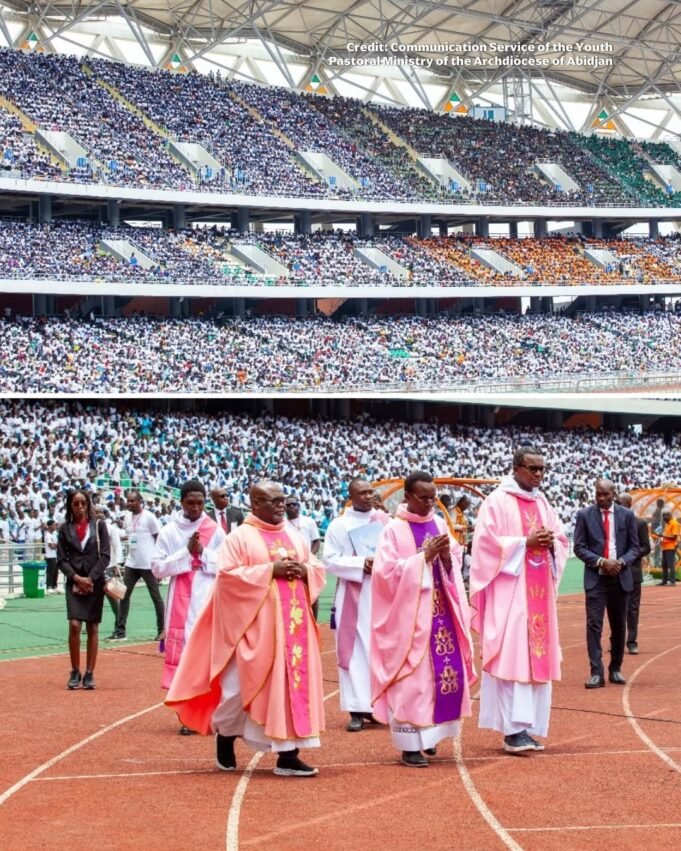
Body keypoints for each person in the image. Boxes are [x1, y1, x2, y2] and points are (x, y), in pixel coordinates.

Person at [166, 481, 325, 777]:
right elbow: (226, 579)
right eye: (272, 500)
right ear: (254, 503)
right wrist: (269, 572)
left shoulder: (294, 534)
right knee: (239, 692)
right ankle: (225, 736)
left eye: (282, 500)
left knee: (290, 688)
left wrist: (304, 571)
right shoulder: (240, 537)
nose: (280, 505)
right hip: (255, 629)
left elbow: (316, 567)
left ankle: (288, 756)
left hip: (293, 630)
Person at [371, 471, 475, 768]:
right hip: (410, 620)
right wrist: (423, 558)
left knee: (440, 677)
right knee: (413, 679)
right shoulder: (393, 530)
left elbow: (455, 558)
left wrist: (445, 557)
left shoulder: (439, 523)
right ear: (407, 497)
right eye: (424, 498)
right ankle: (409, 745)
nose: (430, 503)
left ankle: (429, 737)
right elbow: (384, 574)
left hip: (442, 611)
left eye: (433, 497)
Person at [470, 448, 568, 754]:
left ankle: (529, 727)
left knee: (535, 658)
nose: (538, 475)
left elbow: (562, 539)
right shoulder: (497, 501)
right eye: (532, 469)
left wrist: (552, 544)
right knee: (514, 657)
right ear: (516, 468)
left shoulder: (542, 502)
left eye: (542, 469)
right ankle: (513, 730)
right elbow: (484, 544)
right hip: (511, 593)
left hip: (538, 594)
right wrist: (525, 542)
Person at [151, 480, 226, 711]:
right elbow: (157, 569)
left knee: (203, 651)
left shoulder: (214, 530)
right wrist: (186, 552)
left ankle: (202, 706)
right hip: (179, 594)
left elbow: (227, 564)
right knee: (182, 651)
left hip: (206, 591)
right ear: (181, 502)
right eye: (190, 503)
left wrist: (202, 553)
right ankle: (184, 709)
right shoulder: (169, 531)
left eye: (200, 503)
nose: (195, 508)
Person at [323, 477, 389, 732]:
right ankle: (356, 709)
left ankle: (377, 705)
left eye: (370, 492)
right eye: (361, 493)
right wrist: (361, 563)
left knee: (380, 649)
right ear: (351, 495)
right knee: (353, 651)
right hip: (353, 593)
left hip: (382, 592)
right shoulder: (338, 525)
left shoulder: (385, 521)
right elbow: (329, 559)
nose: (367, 496)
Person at [574, 479, 640, 689]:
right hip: (596, 579)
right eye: (598, 494)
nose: (602, 498)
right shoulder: (584, 515)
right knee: (594, 625)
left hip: (620, 578)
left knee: (619, 626)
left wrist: (620, 562)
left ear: (614, 493)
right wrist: (601, 561)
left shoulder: (627, 515)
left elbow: (635, 548)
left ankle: (615, 668)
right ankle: (596, 672)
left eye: (606, 494)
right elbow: (579, 547)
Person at [57, 489, 110, 690]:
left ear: (88, 504)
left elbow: (105, 555)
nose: (80, 507)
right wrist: (77, 578)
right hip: (74, 582)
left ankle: (89, 673)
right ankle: (74, 670)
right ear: (70, 506)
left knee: (93, 626)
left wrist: (90, 579)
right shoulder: (64, 529)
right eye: (75, 504)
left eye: (83, 503)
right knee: (74, 625)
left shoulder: (99, 526)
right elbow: (61, 559)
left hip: (94, 582)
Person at [112, 491, 164, 641]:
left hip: (148, 564)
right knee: (124, 596)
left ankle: (162, 630)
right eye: (128, 501)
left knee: (156, 597)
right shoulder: (127, 517)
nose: (129, 503)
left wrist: (158, 560)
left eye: (132, 501)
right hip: (132, 563)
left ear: (140, 501)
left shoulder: (149, 517)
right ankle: (120, 631)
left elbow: (158, 538)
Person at [615, 493, 651, 655]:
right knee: (615, 608)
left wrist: (629, 556)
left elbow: (646, 547)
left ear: (629, 505)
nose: (617, 506)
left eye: (621, 503)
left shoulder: (640, 523)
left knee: (632, 608)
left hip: (633, 571)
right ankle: (615, 641)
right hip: (614, 572)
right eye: (616, 503)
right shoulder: (611, 523)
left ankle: (631, 642)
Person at [659, 507, 680, 586]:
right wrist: (661, 538)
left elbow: (674, 536)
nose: (664, 518)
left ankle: (672, 581)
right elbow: (666, 535)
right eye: (663, 516)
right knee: (664, 565)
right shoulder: (667, 525)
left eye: (665, 516)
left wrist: (663, 536)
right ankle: (664, 581)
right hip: (664, 547)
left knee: (671, 565)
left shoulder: (674, 523)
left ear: (669, 515)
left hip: (671, 547)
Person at [44, 519, 59, 594]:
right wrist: (57, 545)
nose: (55, 526)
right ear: (49, 526)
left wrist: (56, 545)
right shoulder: (47, 535)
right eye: (53, 525)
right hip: (50, 556)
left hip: (55, 555)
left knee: (56, 571)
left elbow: (55, 544)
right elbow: (51, 546)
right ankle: (49, 586)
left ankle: (54, 586)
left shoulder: (54, 534)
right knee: (50, 571)